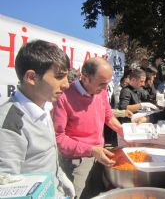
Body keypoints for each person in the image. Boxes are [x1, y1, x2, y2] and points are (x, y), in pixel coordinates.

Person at [0, 40, 75, 198]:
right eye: (59, 76)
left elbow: (43, 157)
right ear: (32, 77)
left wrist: (60, 177)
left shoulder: (44, 107)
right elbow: (6, 186)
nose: (67, 85)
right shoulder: (10, 123)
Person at [52, 57, 124, 199]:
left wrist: (125, 133)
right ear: (85, 78)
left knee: (99, 192)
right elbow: (58, 138)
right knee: (79, 195)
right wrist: (90, 149)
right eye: (102, 84)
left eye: (107, 84)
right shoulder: (64, 97)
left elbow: (108, 116)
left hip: (100, 154)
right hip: (77, 160)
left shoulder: (101, 92)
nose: (105, 89)